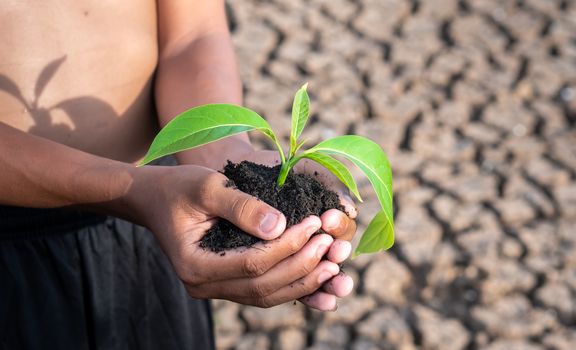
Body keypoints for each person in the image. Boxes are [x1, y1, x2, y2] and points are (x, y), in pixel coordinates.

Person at [0, 1, 357, 348]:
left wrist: (229, 158)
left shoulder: (180, 202)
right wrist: (132, 190)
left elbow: (192, 35)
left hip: (167, 209)